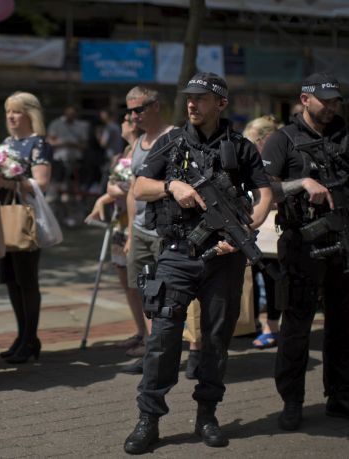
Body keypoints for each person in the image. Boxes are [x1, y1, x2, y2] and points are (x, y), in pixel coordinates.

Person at [124, 73, 272, 454]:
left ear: (221, 103)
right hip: (176, 253)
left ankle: (207, 415)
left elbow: (265, 192)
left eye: (201, 99)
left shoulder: (240, 147)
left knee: (216, 340)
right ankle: (149, 419)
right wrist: (172, 186)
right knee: (162, 338)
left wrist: (242, 233)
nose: (192, 104)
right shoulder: (171, 142)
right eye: (189, 98)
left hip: (223, 259)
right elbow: (139, 186)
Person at [261, 73, 349, 431]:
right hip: (301, 246)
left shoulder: (345, 135)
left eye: (336, 100)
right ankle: (292, 401)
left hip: (343, 245)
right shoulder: (282, 140)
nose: (331, 107)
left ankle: (340, 397)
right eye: (324, 100)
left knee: (343, 327)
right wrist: (302, 182)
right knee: (297, 327)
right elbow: (263, 190)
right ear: (304, 99)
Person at [0, 92, 52, 364]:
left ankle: (30, 338)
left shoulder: (38, 144)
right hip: (3, 215)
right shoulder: (4, 145)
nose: (11, 117)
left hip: (25, 217)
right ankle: (22, 336)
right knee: (11, 280)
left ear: (30, 114)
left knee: (27, 281)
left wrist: (10, 182)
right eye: (7, 112)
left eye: (16, 112)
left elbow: (42, 183)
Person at [121, 87, 174, 371]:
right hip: (141, 232)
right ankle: (153, 354)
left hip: (165, 232)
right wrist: (130, 233)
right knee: (147, 294)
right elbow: (132, 191)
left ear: (156, 106)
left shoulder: (173, 137)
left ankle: (183, 352)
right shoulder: (139, 141)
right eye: (130, 110)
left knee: (168, 295)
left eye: (139, 109)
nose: (133, 116)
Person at [86, 113, 146, 365]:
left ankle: (149, 336)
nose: (120, 124)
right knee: (125, 279)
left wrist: (112, 192)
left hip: (136, 222)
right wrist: (107, 195)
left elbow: (132, 186)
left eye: (124, 120)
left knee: (138, 282)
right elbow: (113, 185)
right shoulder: (121, 153)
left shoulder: (143, 151)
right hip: (119, 221)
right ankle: (140, 330)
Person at [243, 115, 284, 349]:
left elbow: (281, 192)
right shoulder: (249, 162)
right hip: (251, 228)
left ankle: (272, 326)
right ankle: (253, 323)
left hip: (270, 231)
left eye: (254, 139)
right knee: (254, 279)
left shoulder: (277, 158)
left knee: (271, 278)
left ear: (266, 138)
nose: (249, 144)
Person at [47, 106, 89, 227]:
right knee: (56, 191)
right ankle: (57, 218)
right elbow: (50, 141)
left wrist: (71, 145)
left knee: (72, 192)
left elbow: (83, 145)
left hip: (75, 162)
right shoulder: (56, 124)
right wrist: (65, 143)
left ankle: (72, 217)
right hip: (59, 162)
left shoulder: (81, 126)